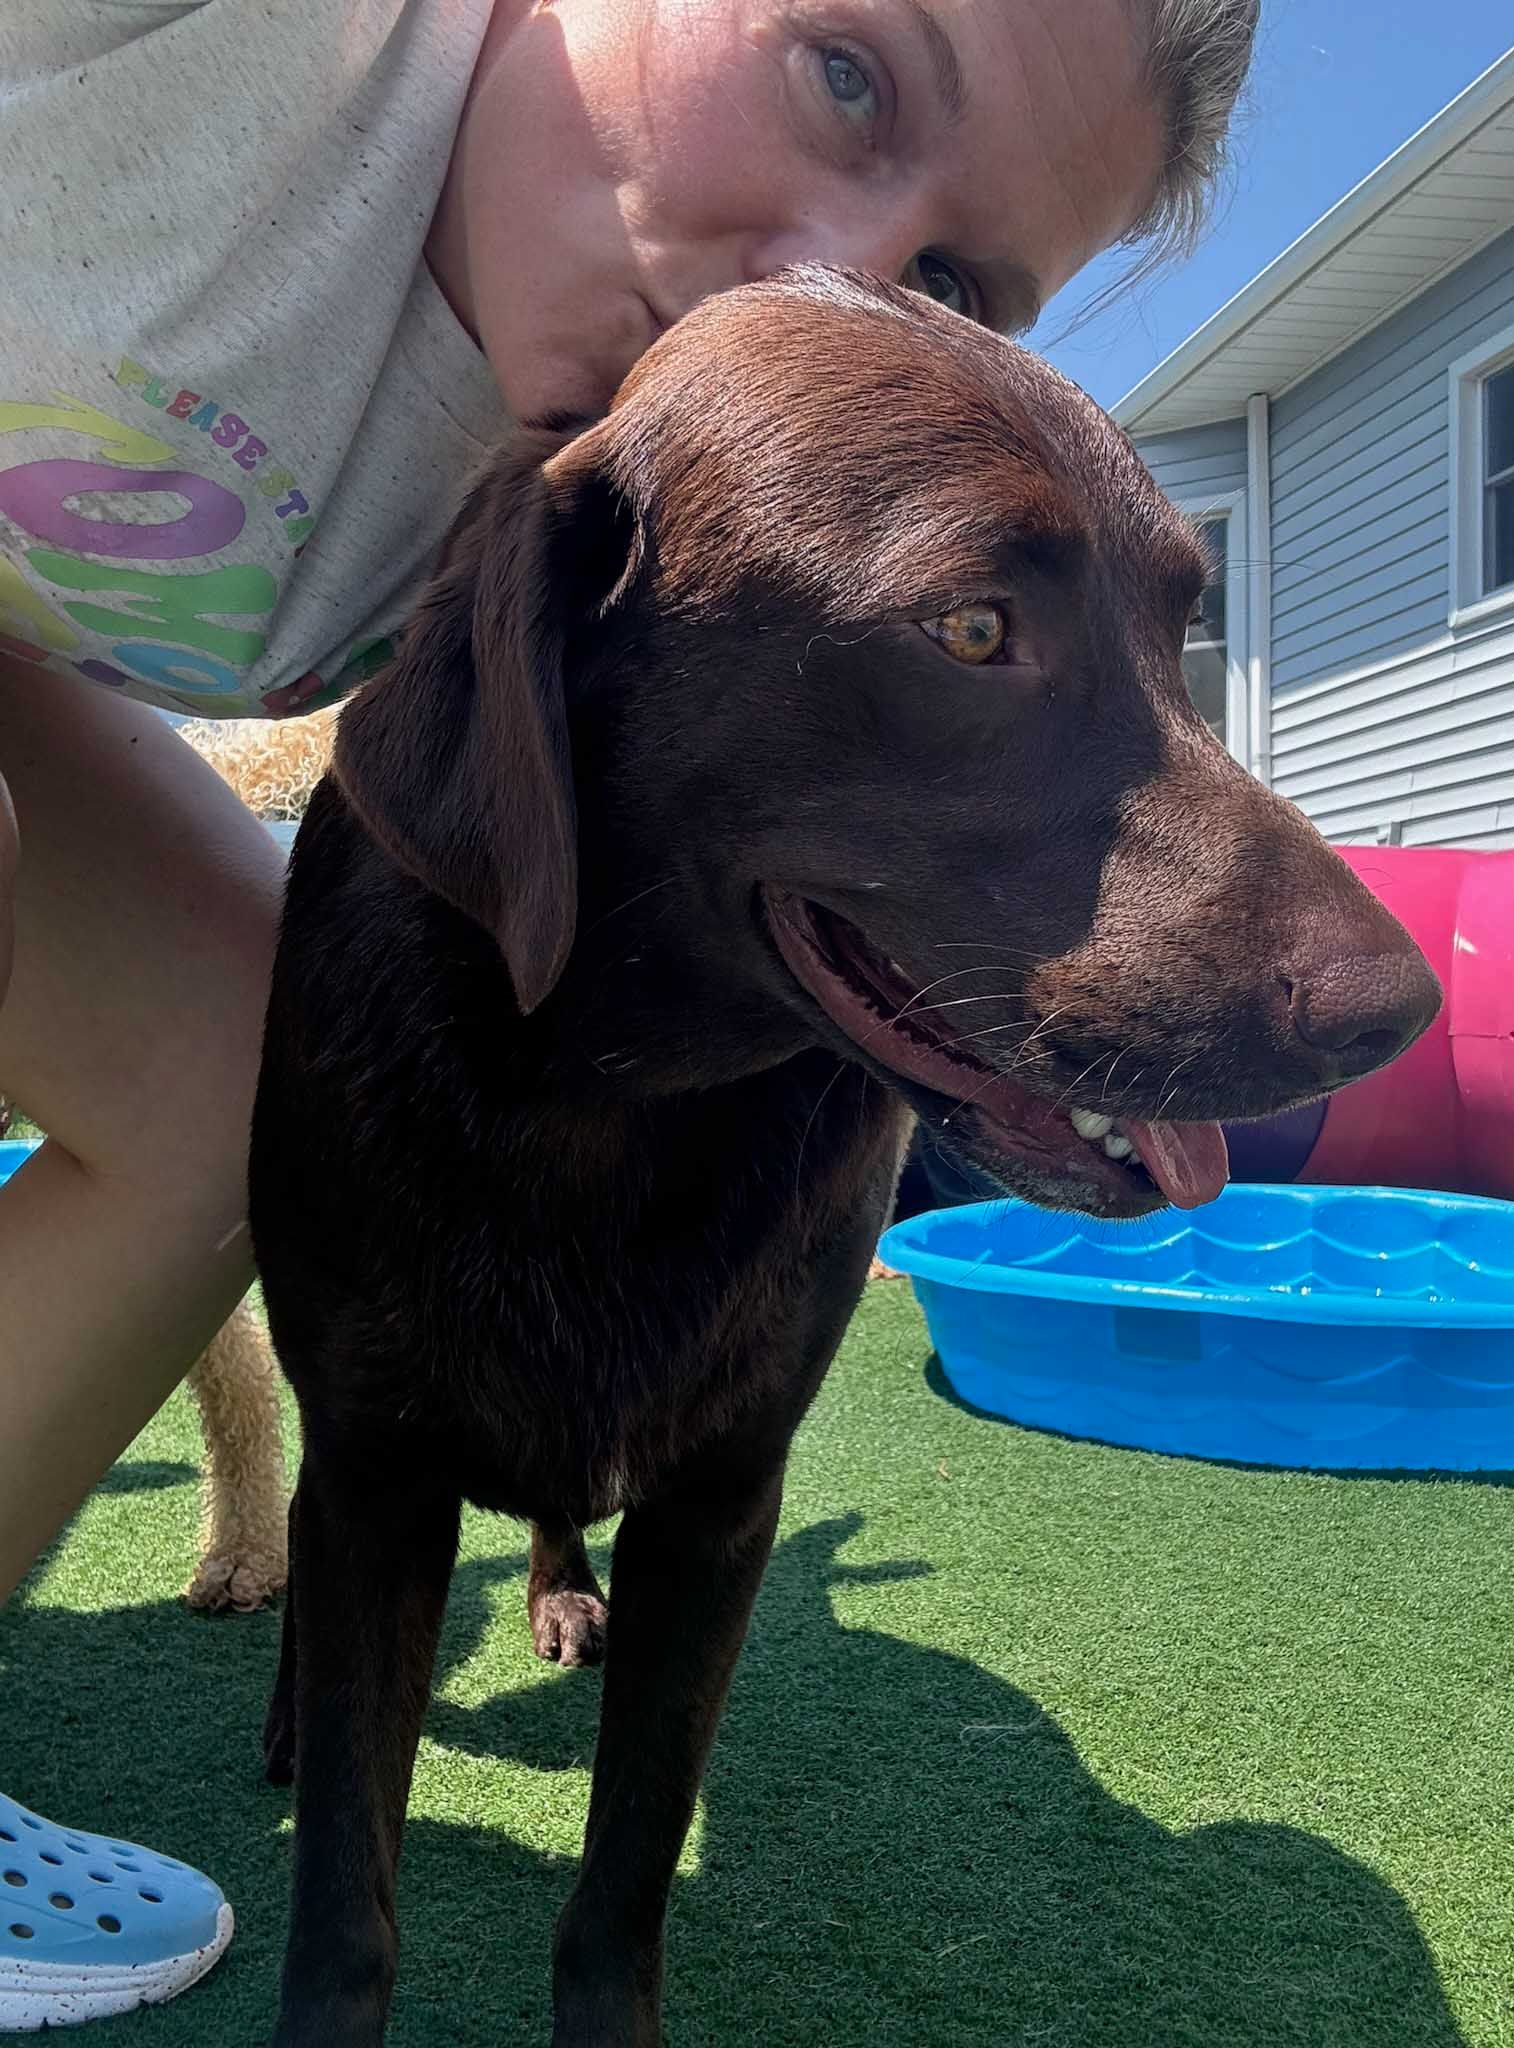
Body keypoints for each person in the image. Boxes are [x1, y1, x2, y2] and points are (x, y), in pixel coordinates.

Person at [0, 0, 1257, 2023]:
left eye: (949, 280)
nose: (832, 285)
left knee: (212, 1049)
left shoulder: (620, 495)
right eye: (845, 71)